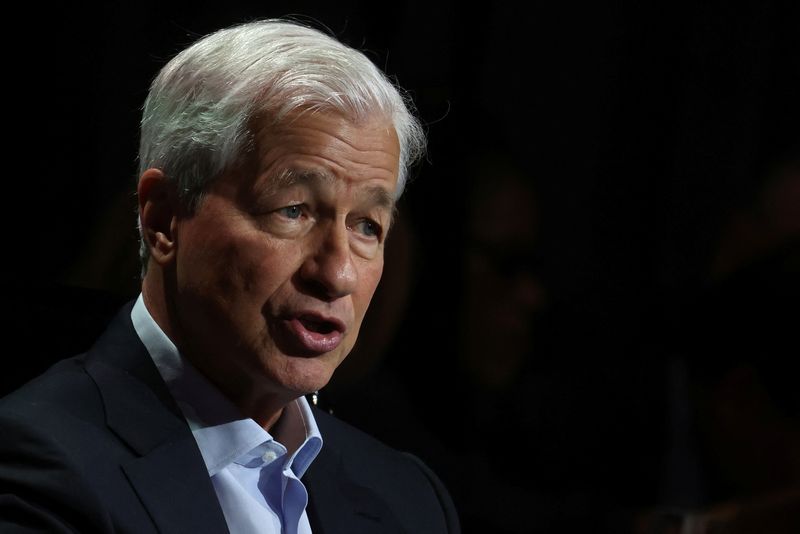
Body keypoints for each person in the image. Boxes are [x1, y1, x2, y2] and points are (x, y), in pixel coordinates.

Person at [0, 19, 460, 534]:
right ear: (163, 219)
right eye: (293, 210)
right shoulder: (37, 469)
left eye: (366, 226)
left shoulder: (410, 501)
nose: (337, 273)